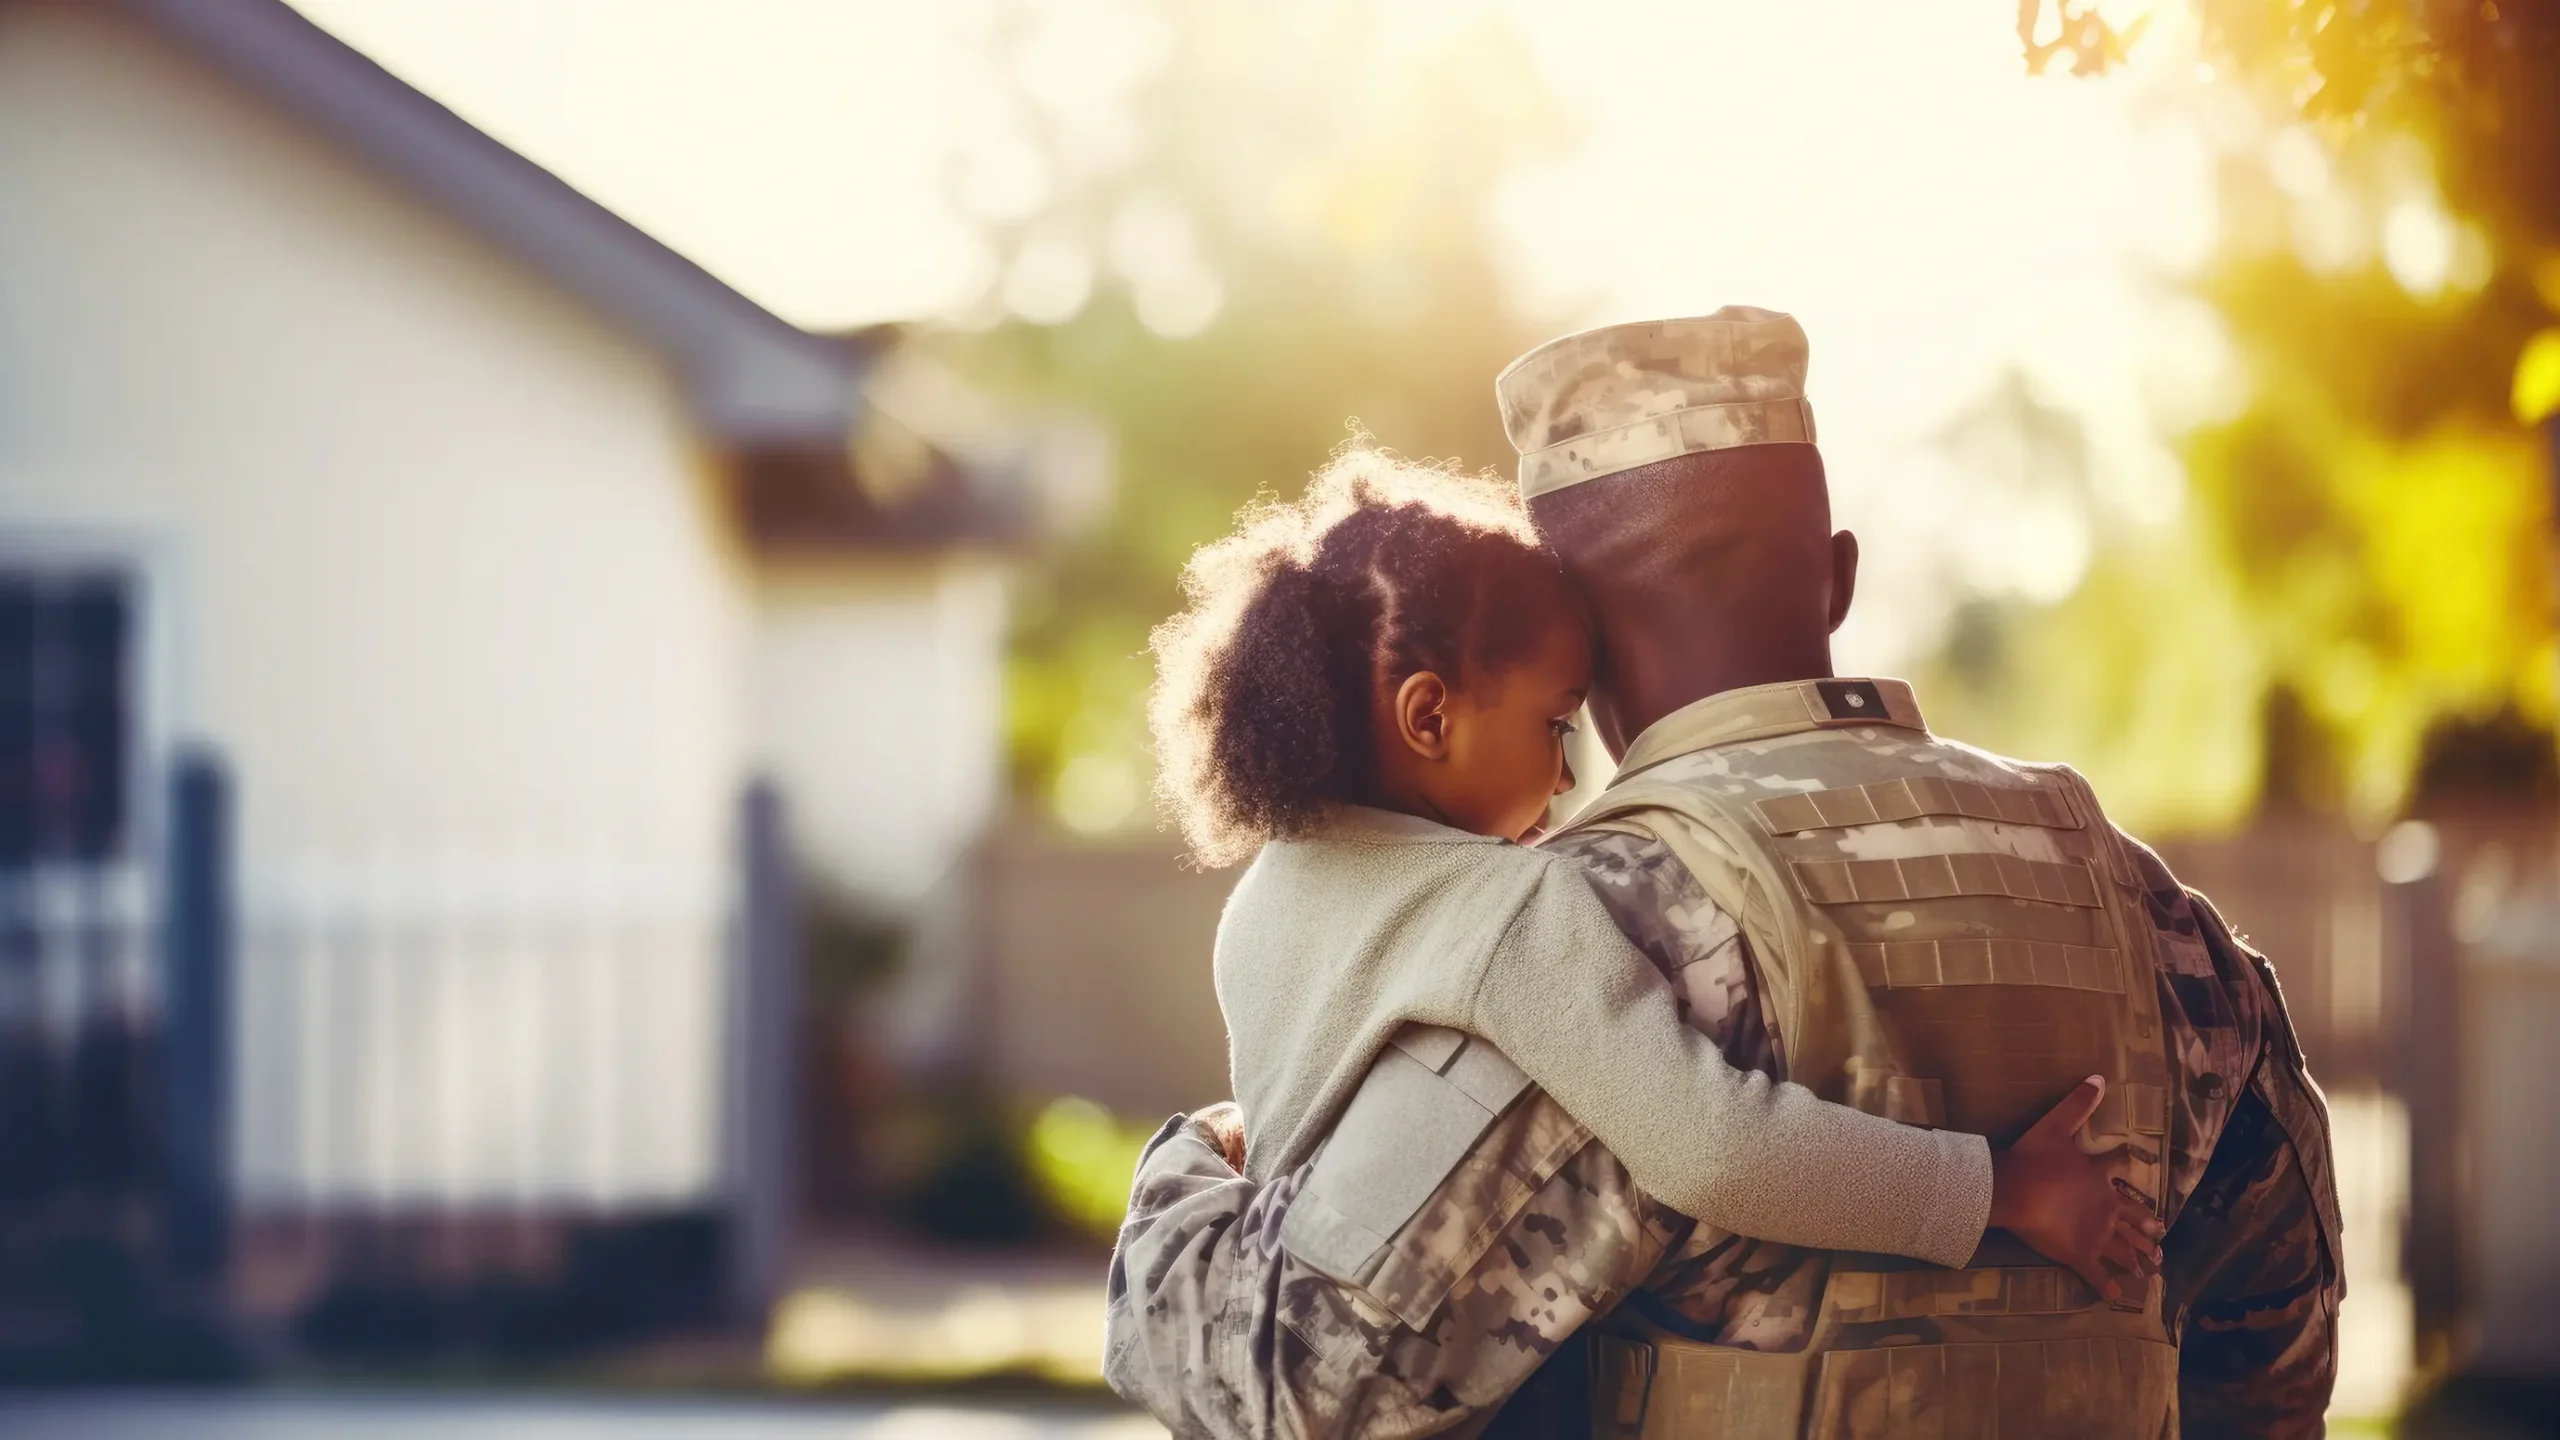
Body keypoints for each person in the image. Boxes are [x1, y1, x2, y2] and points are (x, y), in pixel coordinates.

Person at [1102, 309, 2343, 1439]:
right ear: (1840, 575)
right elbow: (2280, 1344)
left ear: (1574, 625)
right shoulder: (2145, 906)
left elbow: (1294, 1384)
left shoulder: (1609, 916)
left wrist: (1179, 1180)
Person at [1142, 446, 2159, 1312]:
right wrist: (1999, 1192)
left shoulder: (1267, 895)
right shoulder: (1503, 909)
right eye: (1554, 721)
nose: (1571, 774)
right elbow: (1714, 1148)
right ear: (1428, 717)